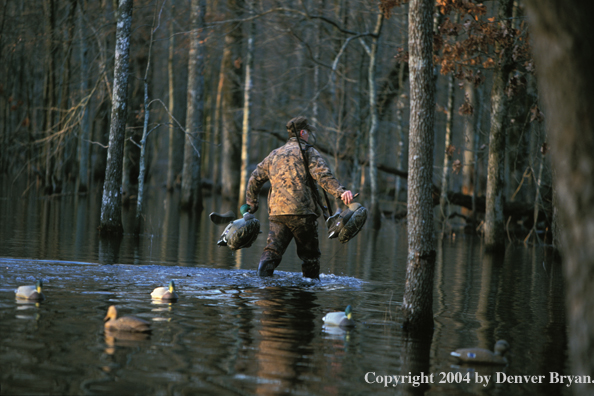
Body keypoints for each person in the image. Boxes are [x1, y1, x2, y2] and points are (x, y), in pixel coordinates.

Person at [246, 116, 353, 279]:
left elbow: (254, 178)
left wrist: (252, 203)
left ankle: (262, 286)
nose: (309, 135)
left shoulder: (274, 154)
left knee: (272, 252)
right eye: (308, 132)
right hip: (302, 214)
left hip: (277, 214)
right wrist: (341, 192)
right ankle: (307, 295)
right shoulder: (309, 151)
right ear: (302, 132)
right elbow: (323, 176)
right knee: (310, 258)